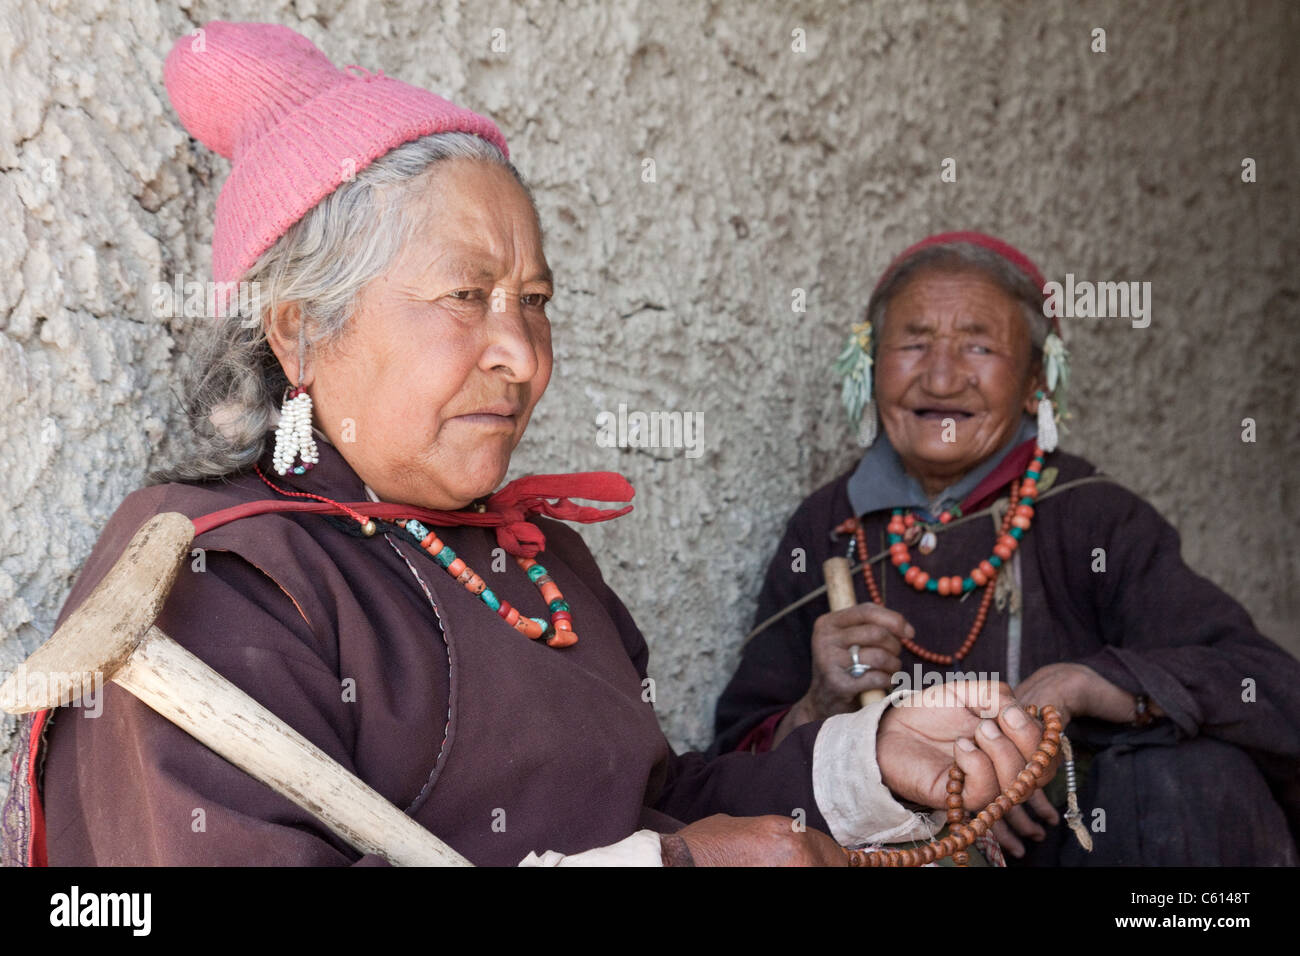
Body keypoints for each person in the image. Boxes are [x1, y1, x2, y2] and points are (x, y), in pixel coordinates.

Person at [0, 24, 1053, 868]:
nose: (520, 353)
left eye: (534, 301)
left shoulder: (539, 562)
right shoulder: (211, 577)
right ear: (301, 331)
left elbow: (645, 801)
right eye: (465, 296)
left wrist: (866, 760)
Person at [709, 230, 1300, 865]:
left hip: (1076, 854)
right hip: (898, 859)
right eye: (913, 343)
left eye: (978, 345)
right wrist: (819, 704)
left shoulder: (1091, 514)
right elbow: (727, 777)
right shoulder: (829, 526)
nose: (941, 375)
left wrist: (1087, 684)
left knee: (1197, 776)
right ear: (869, 367)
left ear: (1034, 381)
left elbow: (1267, 688)